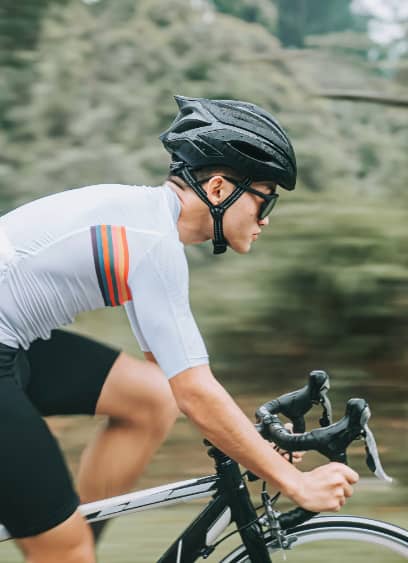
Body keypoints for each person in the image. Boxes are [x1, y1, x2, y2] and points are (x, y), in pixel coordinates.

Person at [0, 96, 358, 563]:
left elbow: (176, 378)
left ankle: (66, 529)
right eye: (263, 198)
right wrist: (295, 483)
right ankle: (65, 547)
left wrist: (259, 450)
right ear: (215, 188)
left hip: (14, 344)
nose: (266, 217)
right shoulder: (151, 244)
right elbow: (195, 392)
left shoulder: (146, 227)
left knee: (149, 397)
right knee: (66, 552)